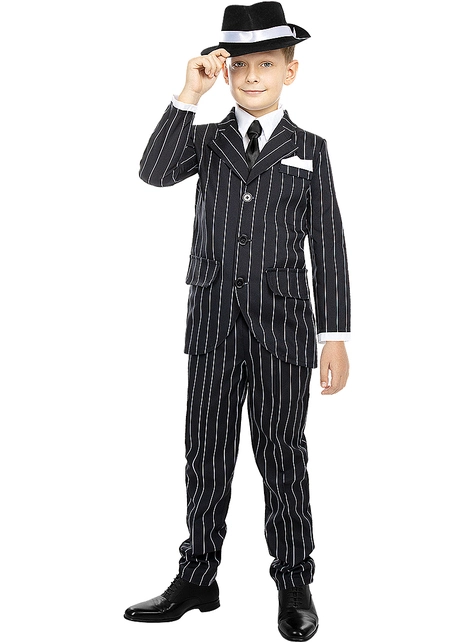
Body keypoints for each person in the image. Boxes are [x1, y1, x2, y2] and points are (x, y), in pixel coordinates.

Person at [124, 2, 350, 640]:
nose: (253, 76)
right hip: (213, 327)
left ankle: (294, 579)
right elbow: (152, 173)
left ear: (290, 71)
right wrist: (187, 95)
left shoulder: (310, 150)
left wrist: (334, 336)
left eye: (266, 65)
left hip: (285, 330)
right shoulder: (205, 139)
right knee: (207, 452)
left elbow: (328, 246)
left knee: (283, 454)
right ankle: (198, 576)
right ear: (226, 71)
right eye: (241, 65)